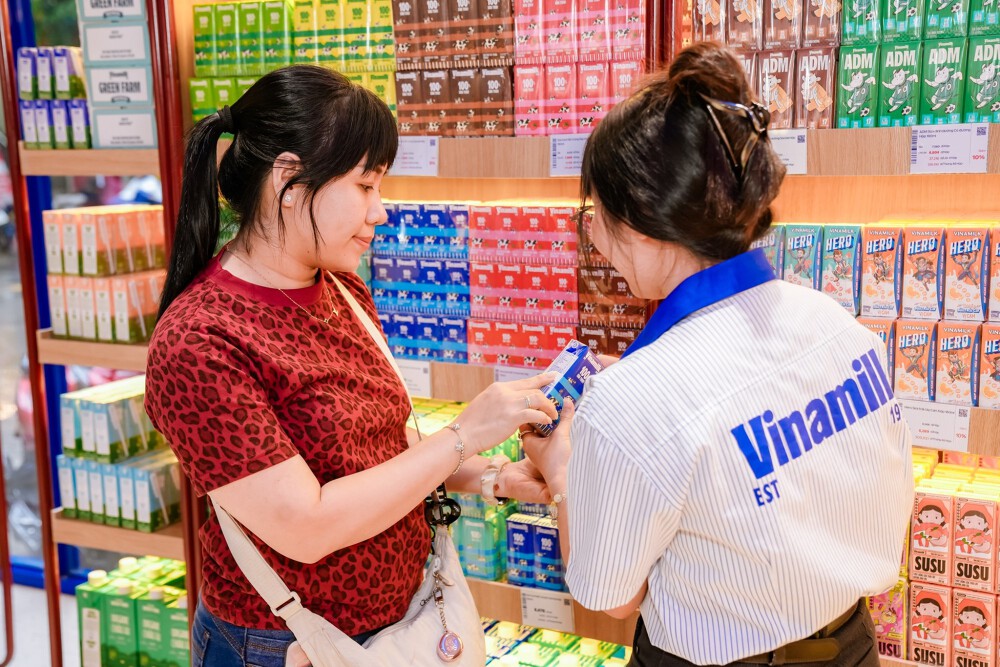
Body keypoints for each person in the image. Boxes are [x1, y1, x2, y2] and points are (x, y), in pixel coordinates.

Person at [143, 65, 559, 667]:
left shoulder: (340, 288)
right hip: (286, 645)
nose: (380, 211)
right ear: (288, 181)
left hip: (403, 623)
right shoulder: (199, 341)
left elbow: (382, 445)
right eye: (365, 185)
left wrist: (491, 476)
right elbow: (305, 527)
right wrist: (463, 434)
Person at [523, 42, 914, 667]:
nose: (591, 233)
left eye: (594, 213)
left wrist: (564, 469)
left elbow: (609, 596)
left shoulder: (632, 400)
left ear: (643, 223)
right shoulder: (835, 323)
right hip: (853, 643)